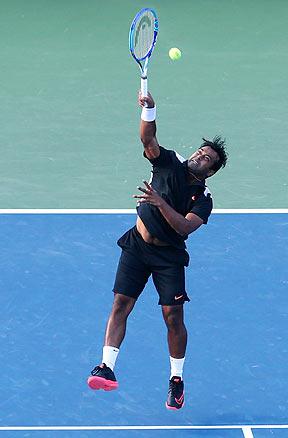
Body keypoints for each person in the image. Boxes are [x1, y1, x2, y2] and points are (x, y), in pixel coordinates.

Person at [87, 91, 228, 409]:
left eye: (207, 158)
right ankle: (107, 367)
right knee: (120, 304)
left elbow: (184, 227)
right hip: (137, 246)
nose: (200, 156)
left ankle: (176, 379)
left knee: (172, 316)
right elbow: (147, 140)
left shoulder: (204, 200)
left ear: (212, 171)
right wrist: (150, 110)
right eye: (200, 151)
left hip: (168, 257)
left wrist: (159, 202)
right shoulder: (169, 163)